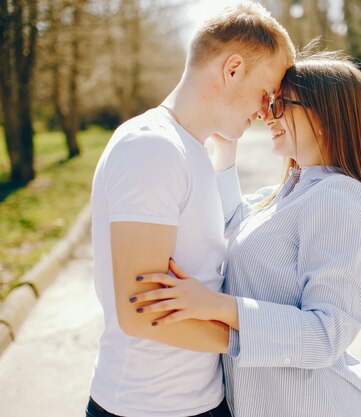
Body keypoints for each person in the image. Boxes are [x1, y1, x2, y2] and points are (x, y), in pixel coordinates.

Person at [131, 53, 361, 417]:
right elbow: (231, 225)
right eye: (269, 103)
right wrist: (226, 151)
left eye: (280, 104)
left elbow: (327, 334)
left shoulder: (337, 197)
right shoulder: (291, 190)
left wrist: (215, 305)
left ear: (325, 117)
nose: (267, 115)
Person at [87, 3, 295, 416]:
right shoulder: (152, 147)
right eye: (267, 93)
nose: (267, 109)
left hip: (201, 401)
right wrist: (252, 341)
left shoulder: (191, 150)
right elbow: (140, 313)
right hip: (145, 407)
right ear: (232, 68)